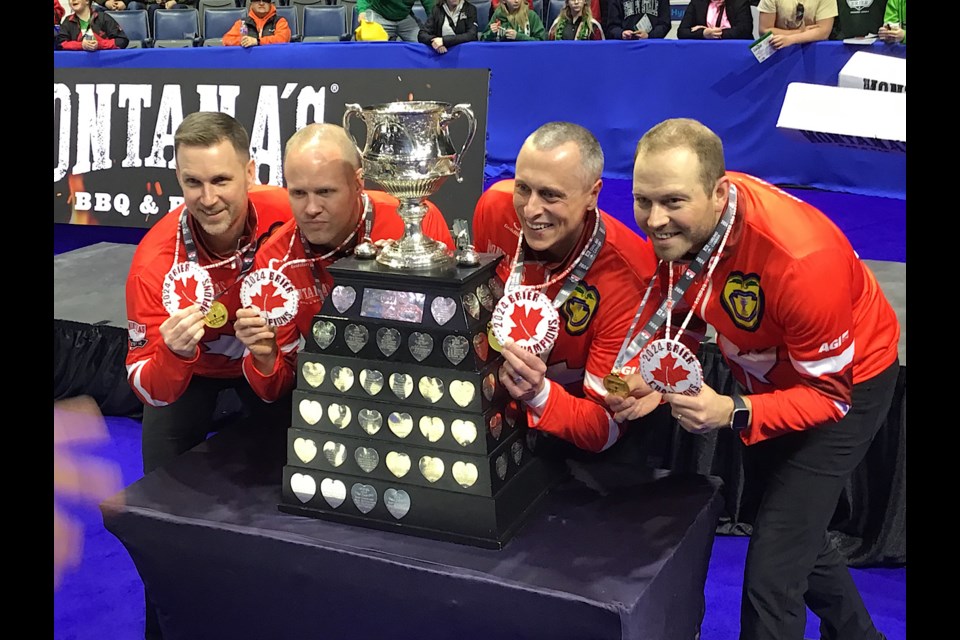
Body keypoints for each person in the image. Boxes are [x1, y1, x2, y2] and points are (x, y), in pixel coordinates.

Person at [609, 118, 899, 640]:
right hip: (768, 376)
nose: (654, 221)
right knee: (795, 538)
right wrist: (653, 374)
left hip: (848, 383)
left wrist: (735, 411)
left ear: (719, 193)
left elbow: (829, 398)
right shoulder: (692, 223)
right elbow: (687, 299)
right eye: (642, 201)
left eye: (672, 202)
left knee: (772, 573)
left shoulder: (800, 260)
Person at [124, 111, 293, 640]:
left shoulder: (288, 216)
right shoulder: (154, 261)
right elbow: (146, 385)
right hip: (190, 375)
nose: (207, 197)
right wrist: (173, 355)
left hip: (268, 366)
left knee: (298, 496)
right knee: (160, 516)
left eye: (221, 179)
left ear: (251, 172)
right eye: (192, 182)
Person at [472, 122, 658, 453]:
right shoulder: (494, 208)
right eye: (523, 188)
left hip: (572, 448)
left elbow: (605, 428)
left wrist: (538, 393)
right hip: (491, 413)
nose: (530, 210)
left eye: (550, 195)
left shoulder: (631, 275)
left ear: (593, 194)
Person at [234, 123, 455, 402]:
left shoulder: (415, 224)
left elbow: (449, 336)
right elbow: (276, 391)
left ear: (358, 182)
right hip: (331, 396)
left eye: (325, 192)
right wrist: (265, 357)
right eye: (299, 193)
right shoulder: (275, 258)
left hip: (418, 388)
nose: (311, 209)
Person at [757, 0, 837, 49]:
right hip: (777, 48)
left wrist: (791, 39)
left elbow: (823, 32)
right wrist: (801, 32)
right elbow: (764, 30)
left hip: (813, 49)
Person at [57, 0, 129, 50]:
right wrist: (81, 45)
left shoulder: (104, 18)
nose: (73, 0)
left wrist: (100, 45)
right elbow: (61, 44)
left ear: (87, 1)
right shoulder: (67, 21)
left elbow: (122, 41)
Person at [356, 0, 435, 42]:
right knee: (367, 45)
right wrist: (362, 10)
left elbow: (430, 5)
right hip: (380, 15)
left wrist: (436, 25)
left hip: (405, 17)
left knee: (426, 42)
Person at [222, 0, 291, 47]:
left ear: (270, 3)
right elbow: (227, 40)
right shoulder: (242, 23)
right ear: (251, 4)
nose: (261, 3)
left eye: (265, 0)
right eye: (257, 0)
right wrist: (244, 41)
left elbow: (282, 39)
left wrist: (257, 41)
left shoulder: (280, 21)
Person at [677, 0, 755, 39]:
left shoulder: (740, 2)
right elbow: (682, 32)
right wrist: (703, 33)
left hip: (734, 51)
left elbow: (744, 31)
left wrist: (714, 33)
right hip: (704, 52)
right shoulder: (697, 2)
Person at [605, 0, 670, 40]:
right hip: (625, 47)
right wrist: (621, 34)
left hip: (652, 47)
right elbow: (612, 26)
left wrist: (649, 36)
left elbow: (665, 23)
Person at [481, 0, 545, 40]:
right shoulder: (498, 15)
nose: (516, 1)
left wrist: (518, 37)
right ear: (504, 1)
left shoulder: (531, 15)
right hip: (502, 54)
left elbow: (541, 40)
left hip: (524, 54)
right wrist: (491, 33)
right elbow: (483, 39)